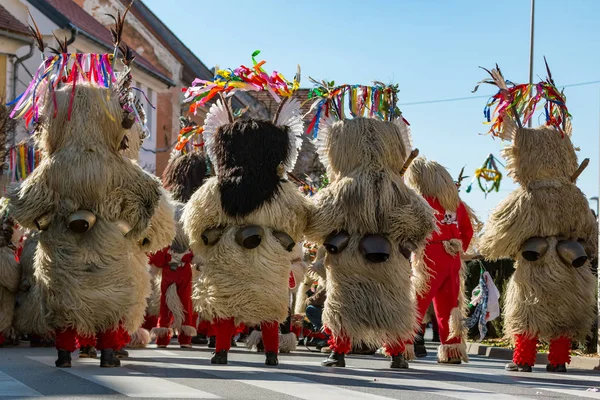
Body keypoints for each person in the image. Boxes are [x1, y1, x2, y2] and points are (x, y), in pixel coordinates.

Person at [7, 17, 175, 368]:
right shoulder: (121, 168)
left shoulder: (52, 167)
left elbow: (22, 206)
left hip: (64, 249)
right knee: (111, 301)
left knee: (66, 300)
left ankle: (66, 353)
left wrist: (44, 220)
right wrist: (136, 236)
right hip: (112, 250)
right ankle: (109, 351)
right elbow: (151, 204)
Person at [182, 55, 309, 366]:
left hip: (227, 253)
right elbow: (299, 220)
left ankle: (221, 350)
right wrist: (284, 242)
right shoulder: (282, 191)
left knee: (227, 301)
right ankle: (271, 353)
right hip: (269, 254)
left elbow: (195, 223)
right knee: (268, 304)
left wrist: (208, 242)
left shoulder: (215, 188)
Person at [304, 84, 437, 369]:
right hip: (389, 259)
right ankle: (398, 354)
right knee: (393, 305)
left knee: (342, 306)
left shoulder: (342, 189)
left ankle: (338, 353)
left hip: (349, 259)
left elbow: (316, 222)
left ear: (340, 148)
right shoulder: (400, 189)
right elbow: (424, 222)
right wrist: (400, 232)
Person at [477, 65, 597, 373]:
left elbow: (497, 239)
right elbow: (591, 235)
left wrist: (489, 244)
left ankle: (524, 360)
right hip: (572, 269)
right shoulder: (576, 196)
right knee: (565, 317)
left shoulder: (526, 197)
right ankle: (558, 362)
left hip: (536, 268)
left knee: (528, 312)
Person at [402, 157, 474, 364]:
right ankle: (452, 351)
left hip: (428, 257)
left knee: (416, 303)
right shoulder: (456, 204)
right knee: (450, 306)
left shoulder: (421, 201)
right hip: (453, 258)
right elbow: (467, 231)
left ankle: (401, 348)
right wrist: (458, 249)